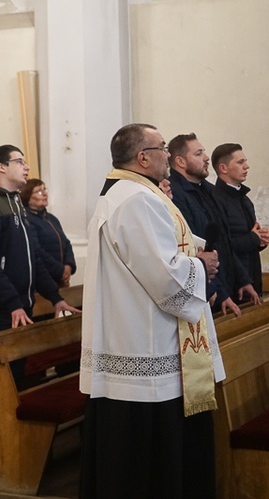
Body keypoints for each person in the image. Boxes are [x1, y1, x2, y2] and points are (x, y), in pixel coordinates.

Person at [80, 123, 224, 498]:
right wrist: (201, 266)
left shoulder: (130, 194)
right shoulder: (137, 200)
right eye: (161, 148)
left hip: (134, 338)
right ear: (142, 157)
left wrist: (194, 251)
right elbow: (164, 277)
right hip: (145, 342)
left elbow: (164, 246)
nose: (166, 154)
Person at [0, 145, 79, 335]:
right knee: (11, 364)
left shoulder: (15, 203)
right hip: (3, 306)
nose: (26, 167)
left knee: (24, 362)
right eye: (19, 162)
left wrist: (55, 298)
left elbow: (32, 256)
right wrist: (12, 303)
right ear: (1, 167)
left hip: (21, 302)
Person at [167, 134, 258, 314]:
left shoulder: (208, 191)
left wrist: (242, 279)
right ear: (181, 161)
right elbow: (195, 249)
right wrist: (219, 291)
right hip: (205, 293)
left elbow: (224, 242)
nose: (206, 158)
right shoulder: (176, 195)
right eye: (199, 153)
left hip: (224, 286)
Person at [211, 143, 269, 297]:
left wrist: (260, 240)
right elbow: (222, 247)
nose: (247, 166)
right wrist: (253, 238)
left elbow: (247, 238)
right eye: (240, 162)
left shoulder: (244, 198)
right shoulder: (215, 200)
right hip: (234, 285)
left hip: (252, 277)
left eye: (245, 161)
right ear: (223, 168)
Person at [19, 179, 76, 288]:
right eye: (39, 191)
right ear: (28, 198)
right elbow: (37, 250)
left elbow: (66, 243)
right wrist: (60, 271)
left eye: (45, 189)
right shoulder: (27, 219)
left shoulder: (51, 218)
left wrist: (68, 267)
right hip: (42, 279)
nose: (45, 193)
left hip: (59, 278)